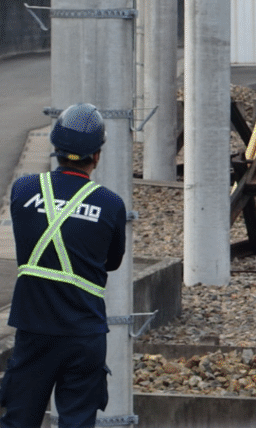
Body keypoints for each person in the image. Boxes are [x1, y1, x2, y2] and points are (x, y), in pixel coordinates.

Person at [0, 104, 127, 428]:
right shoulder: (110, 204)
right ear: (96, 156)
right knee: (78, 421)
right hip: (84, 333)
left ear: (55, 146)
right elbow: (112, 262)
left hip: (34, 329)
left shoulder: (24, 190)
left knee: (19, 419)